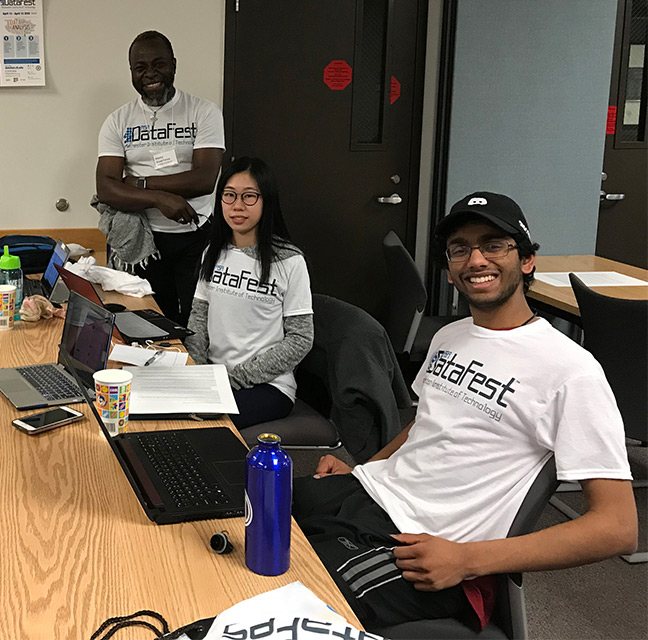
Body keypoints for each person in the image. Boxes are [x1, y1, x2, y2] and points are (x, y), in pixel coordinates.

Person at [292, 192, 637, 631]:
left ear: (527, 260)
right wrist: (363, 469)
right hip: (364, 496)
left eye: (493, 245)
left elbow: (617, 525)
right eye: (461, 249)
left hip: (420, 547)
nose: (475, 259)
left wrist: (468, 560)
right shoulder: (451, 335)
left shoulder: (570, 371)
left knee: (282, 601)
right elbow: (425, 423)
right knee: (231, 514)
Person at [95, 30, 225, 326]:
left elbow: (204, 179)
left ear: (174, 65)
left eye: (159, 64)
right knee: (151, 322)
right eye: (140, 68)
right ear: (131, 72)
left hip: (197, 236)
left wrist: (139, 184)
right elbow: (105, 187)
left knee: (197, 322)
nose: (150, 74)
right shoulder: (118, 120)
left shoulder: (204, 112)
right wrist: (159, 198)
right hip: (144, 242)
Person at [185, 157, 313, 430]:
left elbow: (301, 339)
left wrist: (232, 379)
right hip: (213, 377)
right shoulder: (213, 252)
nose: (237, 206)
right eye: (229, 195)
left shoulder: (289, 261)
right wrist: (197, 372)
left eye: (249, 196)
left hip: (267, 386)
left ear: (267, 201)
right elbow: (198, 318)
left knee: (198, 426)